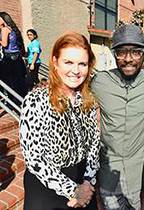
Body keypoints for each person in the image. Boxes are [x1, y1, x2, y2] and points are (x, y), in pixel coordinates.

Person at [19, 32, 100, 210]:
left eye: (82, 64)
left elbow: (94, 145)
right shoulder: (36, 100)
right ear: (55, 63)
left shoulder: (88, 100)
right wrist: (72, 191)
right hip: (46, 188)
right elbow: (34, 159)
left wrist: (87, 182)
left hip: (83, 183)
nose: (76, 70)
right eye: (68, 62)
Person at [91, 24, 144, 210]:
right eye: (121, 52)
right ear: (114, 54)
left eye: (135, 52)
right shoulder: (99, 82)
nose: (128, 59)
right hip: (109, 178)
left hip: (139, 179)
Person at [0, 12, 27, 99]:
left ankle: (13, 101)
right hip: (16, 57)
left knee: (10, 82)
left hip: (9, 58)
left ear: (3, 20)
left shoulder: (4, 30)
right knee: (18, 82)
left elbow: (4, 44)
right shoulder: (12, 29)